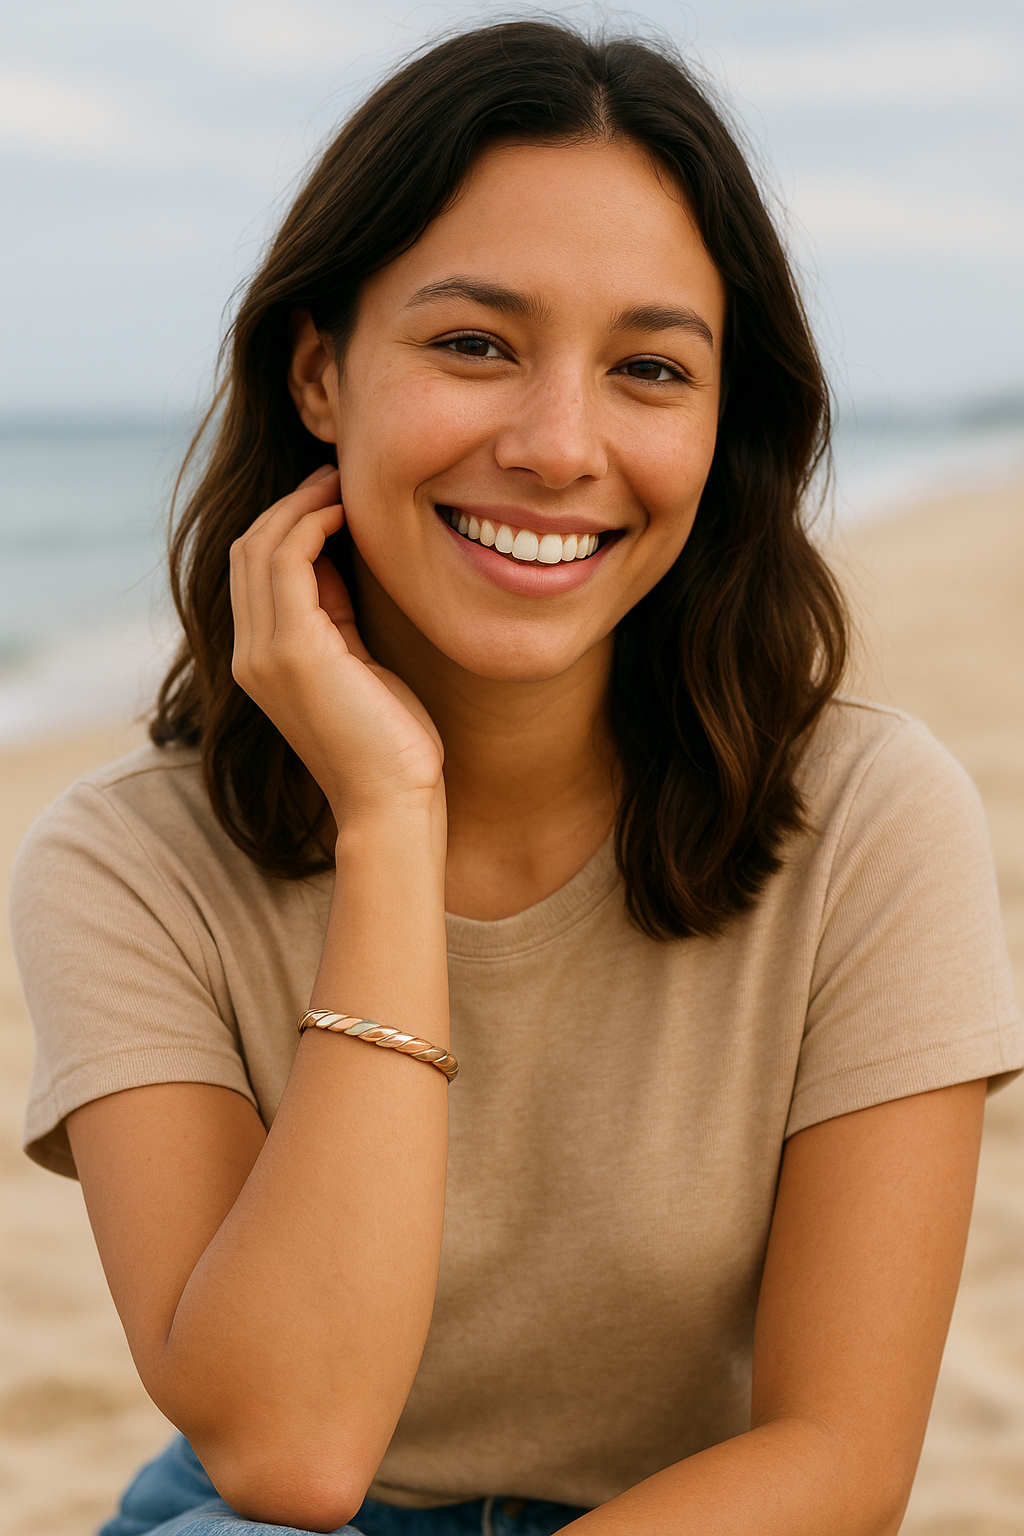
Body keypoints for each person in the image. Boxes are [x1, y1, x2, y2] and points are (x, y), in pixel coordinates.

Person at [11, 20, 1022, 1536]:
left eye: (650, 369)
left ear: (720, 420)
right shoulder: (123, 864)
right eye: (475, 344)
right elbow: (287, 1451)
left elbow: (839, 1459)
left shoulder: (872, 822)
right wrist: (389, 819)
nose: (560, 447)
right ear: (320, 374)